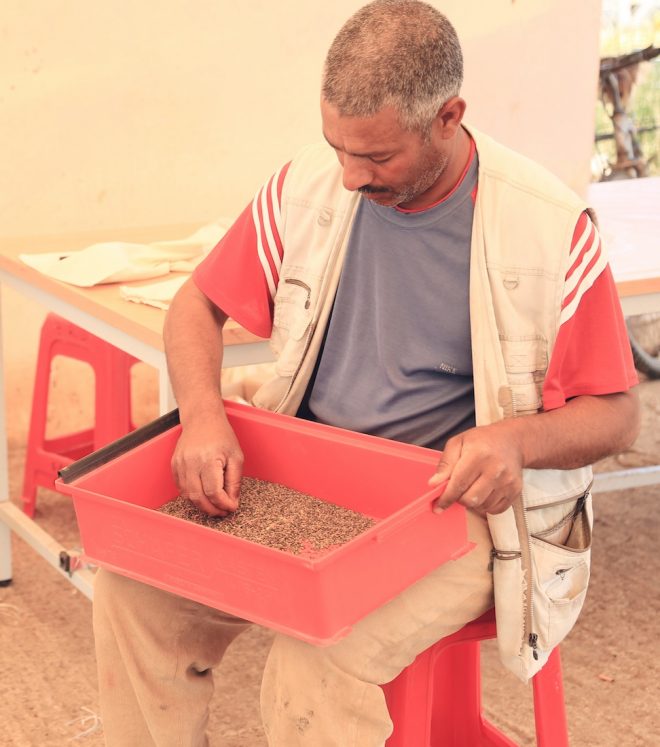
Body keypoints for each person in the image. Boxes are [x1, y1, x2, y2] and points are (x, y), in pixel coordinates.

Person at [93, 1, 640, 744]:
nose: (350, 176)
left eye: (378, 158)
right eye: (338, 147)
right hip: (312, 472)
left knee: (318, 653)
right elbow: (194, 305)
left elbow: (616, 413)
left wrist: (514, 441)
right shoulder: (309, 185)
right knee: (131, 584)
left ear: (449, 117)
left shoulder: (548, 226)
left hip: (456, 511)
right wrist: (203, 413)